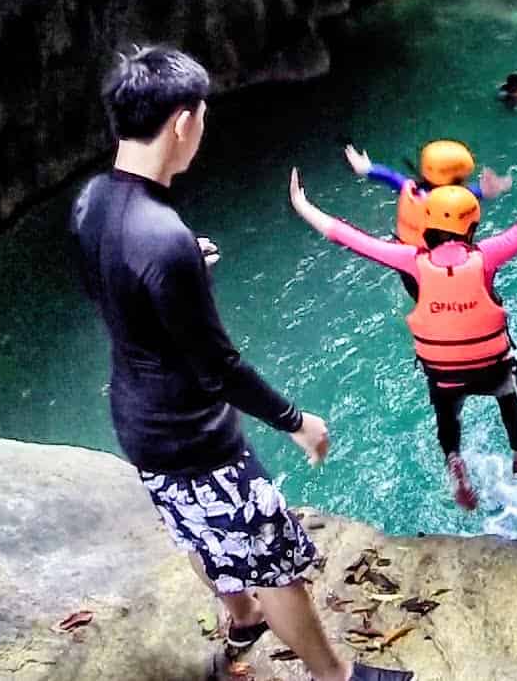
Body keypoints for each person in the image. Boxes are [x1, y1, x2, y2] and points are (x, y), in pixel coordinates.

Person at [72, 46, 408, 681]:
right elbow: (218, 368)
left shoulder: (93, 200)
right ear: (181, 123)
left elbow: (108, 278)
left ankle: (241, 615)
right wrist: (294, 419)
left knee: (197, 532)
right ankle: (336, 677)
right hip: (193, 434)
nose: (203, 129)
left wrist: (180, 270)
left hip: (135, 420)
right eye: (201, 116)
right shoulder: (162, 239)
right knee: (272, 557)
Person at [290, 135, 517, 512]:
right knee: (507, 393)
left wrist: (302, 204)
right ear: (472, 222)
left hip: (445, 374)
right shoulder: (488, 256)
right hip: (490, 366)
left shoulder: (411, 261)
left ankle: (454, 460)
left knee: (447, 415)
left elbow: (348, 237)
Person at [342, 139, 511, 246]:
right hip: (438, 261)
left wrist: (368, 169)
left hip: (409, 255)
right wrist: (495, 187)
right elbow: (474, 192)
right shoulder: (459, 199)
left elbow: (391, 177)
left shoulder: (412, 191)